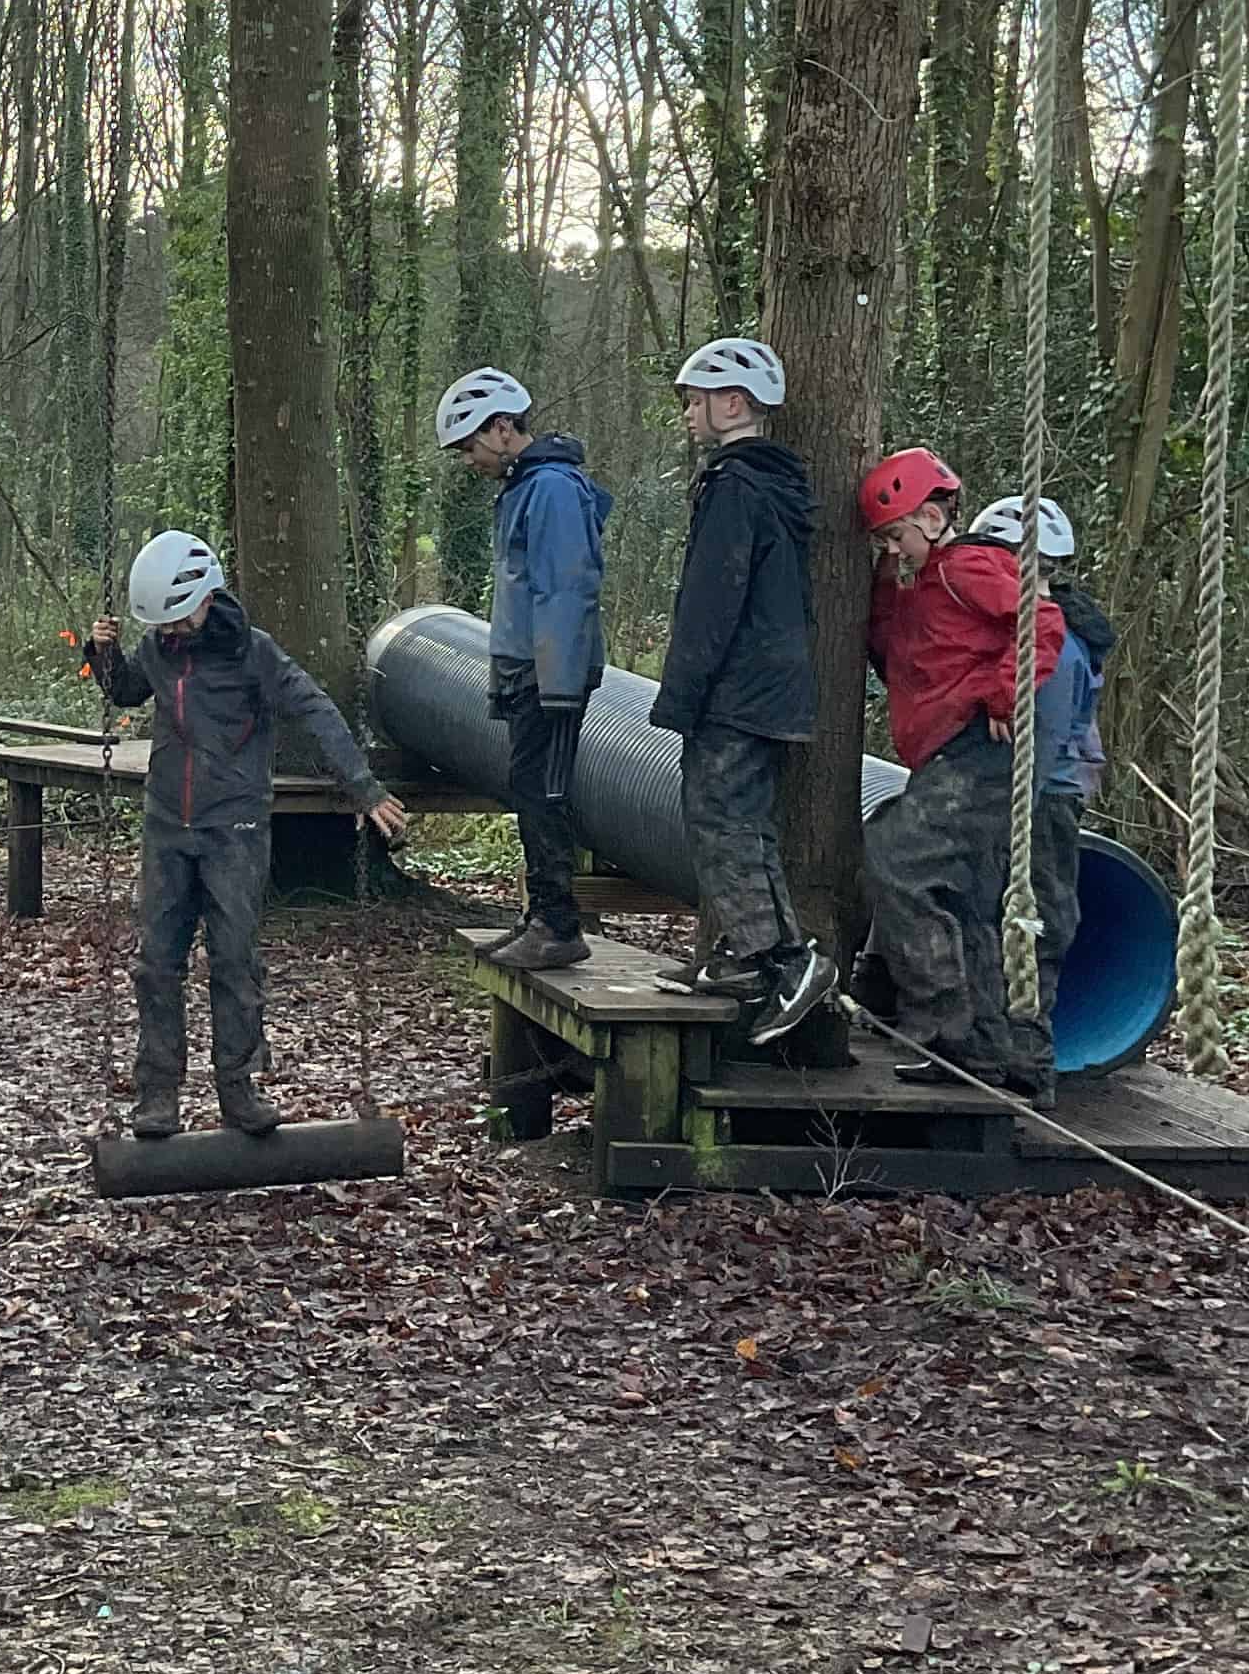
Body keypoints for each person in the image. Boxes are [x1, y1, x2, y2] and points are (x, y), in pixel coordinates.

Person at [82, 531, 409, 1140]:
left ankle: (238, 1086)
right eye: (162, 625)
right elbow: (128, 690)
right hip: (166, 825)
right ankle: (157, 1094)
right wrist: (104, 656)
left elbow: (314, 709)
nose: (171, 633)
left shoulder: (253, 653)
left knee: (234, 958)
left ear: (206, 599)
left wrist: (362, 787)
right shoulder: (158, 649)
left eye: (178, 620)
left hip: (233, 826)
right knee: (156, 963)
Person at [648, 335, 837, 1048]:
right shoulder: (777, 486)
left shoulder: (734, 487)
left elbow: (710, 602)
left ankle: (783, 959)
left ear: (733, 404)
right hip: (772, 688)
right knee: (748, 823)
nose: (689, 414)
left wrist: (681, 695)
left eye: (697, 401)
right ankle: (749, 958)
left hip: (737, 691)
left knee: (719, 819)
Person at [861, 449, 1064, 1093]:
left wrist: (1005, 694)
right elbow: (893, 644)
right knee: (968, 896)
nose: (894, 550)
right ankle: (984, 1047)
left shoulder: (968, 565)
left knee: (897, 859)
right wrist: (889, 572)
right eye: (885, 543)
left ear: (929, 516)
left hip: (975, 749)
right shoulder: (916, 580)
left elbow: (1042, 620)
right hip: (946, 753)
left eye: (897, 536)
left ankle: (944, 1025)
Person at [436, 365, 609, 969]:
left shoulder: (554, 489)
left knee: (545, 793)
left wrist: (558, 685)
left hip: (550, 677)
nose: (467, 459)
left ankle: (559, 925)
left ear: (504, 428)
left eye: (469, 445)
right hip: (525, 671)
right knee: (528, 790)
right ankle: (542, 915)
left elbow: (566, 589)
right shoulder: (524, 487)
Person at [966, 493, 1113, 1060]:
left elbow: (1046, 739)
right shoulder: (1057, 628)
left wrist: (1010, 811)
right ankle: (1003, 1040)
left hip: (1044, 796)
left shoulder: (1057, 649)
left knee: (1035, 913)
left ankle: (1026, 1051)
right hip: (1049, 789)